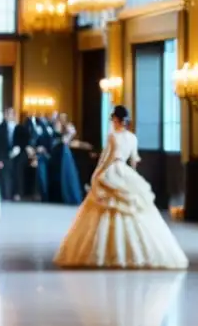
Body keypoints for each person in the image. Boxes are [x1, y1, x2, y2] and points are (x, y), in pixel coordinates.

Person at [54, 105, 188, 269]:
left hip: (111, 170)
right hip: (125, 171)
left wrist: (96, 175)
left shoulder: (112, 137)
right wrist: (132, 179)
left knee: (104, 210)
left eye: (113, 120)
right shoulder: (132, 138)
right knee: (135, 210)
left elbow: (106, 159)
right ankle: (138, 252)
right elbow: (134, 161)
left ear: (116, 120)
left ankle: (106, 252)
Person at [47, 114, 83, 206]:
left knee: (66, 174)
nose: (62, 119)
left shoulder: (69, 127)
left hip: (64, 152)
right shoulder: (57, 126)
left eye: (63, 118)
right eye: (61, 117)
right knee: (58, 174)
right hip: (58, 153)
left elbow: (67, 139)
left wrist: (66, 138)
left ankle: (66, 195)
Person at [0, 108, 16, 201]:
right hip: (3, 157)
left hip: (14, 157)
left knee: (11, 177)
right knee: (4, 177)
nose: (10, 115)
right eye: (8, 113)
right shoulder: (0, 128)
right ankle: (5, 196)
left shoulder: (16, 127)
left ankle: (11, 195)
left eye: (11, 113)